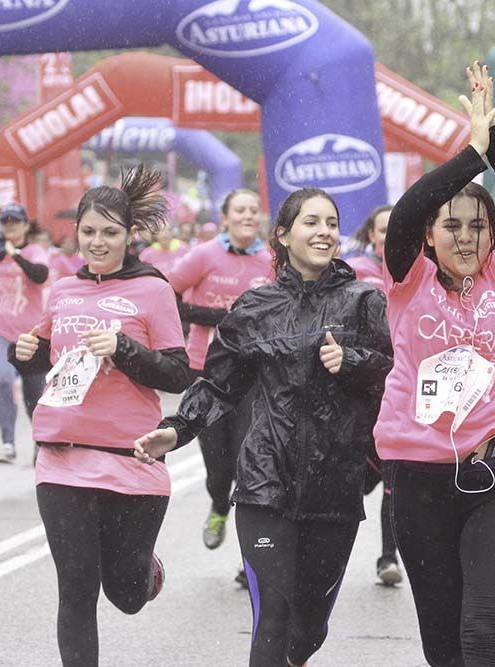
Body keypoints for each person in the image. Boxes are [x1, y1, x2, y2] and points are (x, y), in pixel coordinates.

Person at [134, 187, 392, 667]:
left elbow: (395, 374)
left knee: (309, 629)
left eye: (332, 223)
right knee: (273, 616)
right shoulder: (255, 308)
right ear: (284, 235)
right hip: (264, 484)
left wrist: (354, 362)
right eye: (311, 222)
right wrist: (177, 429)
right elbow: (218, 384)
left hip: (334, 487)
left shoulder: (364, 301)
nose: (324, 232)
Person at [374, 62, 495, 666]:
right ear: (429, 236)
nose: (467, 237)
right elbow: (406, 212)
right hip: (419, 481)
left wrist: (493, 139)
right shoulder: (407, 277)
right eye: (452, 226)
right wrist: (469, 155)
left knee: (482, 635)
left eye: (478, 226)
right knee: (444, 647)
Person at [11, 165, 191, 667]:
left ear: (129, 235)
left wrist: (124, 348)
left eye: (110, 232)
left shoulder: (153, 290)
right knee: (76, 587)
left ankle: (145, 572)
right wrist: (24, 352)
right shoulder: (64, 289)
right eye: (88, 231)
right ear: (77, 232)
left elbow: (178, 373)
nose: (97, 242)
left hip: (130, 459)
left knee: (125, 594)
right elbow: (50, 353)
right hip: (61, 458)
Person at [166, 188, 271, 567]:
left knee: (249, 461)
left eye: (254, 210)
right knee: (218, 466)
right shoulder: (205, 255)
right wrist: (207, 317)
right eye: (240, 210)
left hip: (253, 375)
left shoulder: (269, 261)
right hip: (206, 371)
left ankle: (250, 556)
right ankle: (218, 505)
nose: (248, 215)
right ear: (225, 217)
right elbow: (165, 292)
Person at [346, 204, 402, 585]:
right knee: (349, 483)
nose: (390, 236)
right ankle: (308, 551)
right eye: (383, 230)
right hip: (359, 391)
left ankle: (388, 558)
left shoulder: (420, 271)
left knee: (394, 482)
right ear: (371, 235)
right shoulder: (354, 272)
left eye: (397, 229)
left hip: (402, 392)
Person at [0, 202, 50, 463]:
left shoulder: (35, 251)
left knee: (34, 396)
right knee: (4, 379)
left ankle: (40, 441)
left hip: (31, 334)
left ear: (26, 225)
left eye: (15, 221)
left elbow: (40, 275)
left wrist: (14, 254)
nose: (9, 225)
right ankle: (8, 443)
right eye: (5, 221)